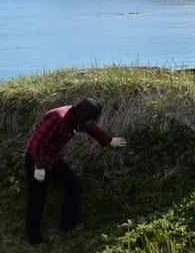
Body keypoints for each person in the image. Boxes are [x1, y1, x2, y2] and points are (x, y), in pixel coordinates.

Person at [24, 97, 126, 244]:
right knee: (37, 198)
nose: (90, 121)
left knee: (73, 185)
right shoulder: (57, 117)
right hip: (36, 159)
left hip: (52, 159)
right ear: (81, 111)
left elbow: (90, 128)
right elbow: (37, 144)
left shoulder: (76, 117)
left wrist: (108, 140)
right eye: (89, 118)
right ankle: (34, 238)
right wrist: (39, 167)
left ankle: (67, 225)